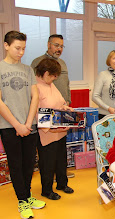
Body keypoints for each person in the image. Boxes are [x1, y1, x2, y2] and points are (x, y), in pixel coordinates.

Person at [0, 31, 45, 219]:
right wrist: (17, 125)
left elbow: (35, 96)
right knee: (16, 164)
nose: (21, 52)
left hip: (29, 124)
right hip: (9, 126)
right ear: (6, 46)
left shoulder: (27, 69)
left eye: (23, 48)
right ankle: (22, 200)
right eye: (18, 48)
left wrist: (27, 123)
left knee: (29, 164)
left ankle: (27, 195)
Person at [31, 34, 74, 178]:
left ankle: (61, 176)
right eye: (56, 45)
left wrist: (67, 101)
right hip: (45, 110)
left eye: (62, 46)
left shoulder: (63, 63)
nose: (59, 49)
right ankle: (50, 179)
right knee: (48, 151)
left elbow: (66, 84)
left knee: (60, 149)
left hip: (61, 106)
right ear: (48, 44)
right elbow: (32, 88)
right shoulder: (38, 62)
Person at [35, 58, 74, 200]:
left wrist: (66, 108)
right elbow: (36, 111)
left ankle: (62, 184)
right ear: (46, 73)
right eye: (53, 76)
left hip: (59, 131)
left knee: (61, 160)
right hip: (47, 132)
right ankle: (46, 190)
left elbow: (60, 102)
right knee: (47, 163)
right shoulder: (37, 86)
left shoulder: (50, 85)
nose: (55, 78)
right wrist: (48, 128)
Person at [92, 50, 115, 120]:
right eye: (114, 58)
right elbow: (95, 96)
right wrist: (108, 108)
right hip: (105, 115)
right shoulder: (102, 75)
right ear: (109, 61)